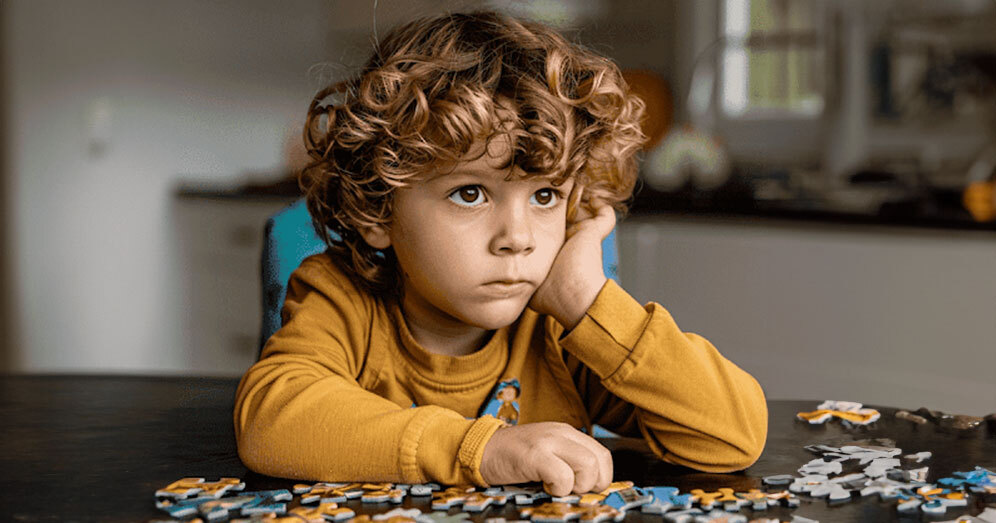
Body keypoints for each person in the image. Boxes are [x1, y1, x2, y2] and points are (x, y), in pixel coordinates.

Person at [234, 10, 767, 497]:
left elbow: (735, 436)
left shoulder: (563, 328)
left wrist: (587, 300)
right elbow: (271, 422)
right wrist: (482, 451)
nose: (518, 237)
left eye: (544, 195)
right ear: (379, 212)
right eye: (470, 193)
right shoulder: (341, 297)